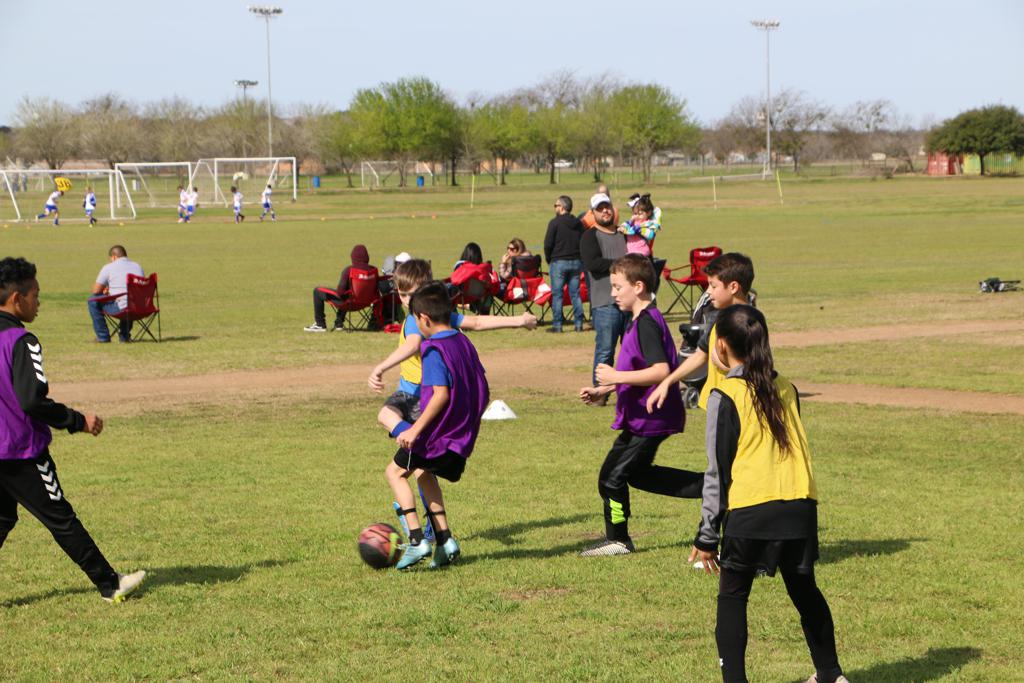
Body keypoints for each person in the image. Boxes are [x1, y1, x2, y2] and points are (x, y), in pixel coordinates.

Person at [691, 305, 847, 683]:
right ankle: (830, 674)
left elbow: (717, 471)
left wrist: (707, 535)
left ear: (722, 346)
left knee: (732, 596)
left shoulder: (724, 393)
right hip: (799, 506)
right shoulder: (786, 387)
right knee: (804, 589)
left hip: (752, 508)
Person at [0, 257, 146, 602]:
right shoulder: (22, 340)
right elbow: (32, 401)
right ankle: (110, 584)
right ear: (16, 299)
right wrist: (78, 421)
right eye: (35, 294)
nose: (39, 302)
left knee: (2, 517)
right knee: (60, 517)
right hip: (21, 450)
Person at [579, 255, 702, 555]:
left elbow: (661, 371)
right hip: (640, 417)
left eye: (618, 287)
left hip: (651, 418)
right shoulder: (639, 320)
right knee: (633, 475)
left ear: (639, 286)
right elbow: (643, 369)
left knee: (613, 478)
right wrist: (606, 389)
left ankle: (619, 540)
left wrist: (615, 375)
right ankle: (710, 487)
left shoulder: (647, 322)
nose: (613, 293)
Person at [384, 281, 490, 570]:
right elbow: (483, 387)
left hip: (435, 438)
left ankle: (418, 541)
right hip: (460, 438)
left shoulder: (432, 350)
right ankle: (445, 541)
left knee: (394, 473)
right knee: (423, 473)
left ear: (424, 320)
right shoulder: (464, 342)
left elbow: (440, 395)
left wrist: (414, 430)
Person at [647, 253, 755, 414]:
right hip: (716, 402)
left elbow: (756, 365)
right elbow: (700, 355)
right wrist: (668, 381)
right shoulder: (718, 318)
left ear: (733, 287)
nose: (708, 292)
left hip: (740, 406)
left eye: (713, 286)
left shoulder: (751, 323)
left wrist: (725, 361)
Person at [580, 192, 628, 402]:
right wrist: (623, 264)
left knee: (631, 349)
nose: (605, 211)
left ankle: (629, 391)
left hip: (629, 303)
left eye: (607, 207)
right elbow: (593, 264)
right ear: (593, 213)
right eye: (600, 208)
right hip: (605, 302)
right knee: (605, 350)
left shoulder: (624, 234)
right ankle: (599, 395)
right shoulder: (589, 236)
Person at [304, 244, 375, 332]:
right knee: (348, 292)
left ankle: (320, 324)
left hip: (349, 303)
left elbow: (340, 293)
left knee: (317, 291)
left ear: (353, 257)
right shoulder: (373, 270)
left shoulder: (349, 270)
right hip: (365, 303)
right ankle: (339, 323)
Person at [544, 195, 585, 333]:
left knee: (557, 295)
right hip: (576, 262)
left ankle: (557, 325)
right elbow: (583, 241)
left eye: (556, 205)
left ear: (562, 207)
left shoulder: (554, 223)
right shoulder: (578, 223)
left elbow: (548, 244)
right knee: (575, 294)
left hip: (559, 262)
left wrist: (549, 259)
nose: (555, 208)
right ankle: (579, 324)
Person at [87, 245, 145, 343]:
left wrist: (108, 292)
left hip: (122, 308)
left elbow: (96, 291)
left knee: (92, 300)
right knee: (129, 299)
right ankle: (124, 336)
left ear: (114, 256)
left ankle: (103, 336)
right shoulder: (137, 266)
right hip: (140, 308)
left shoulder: (108, 267)